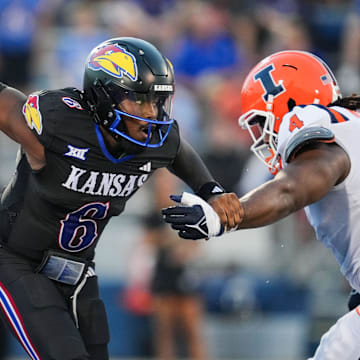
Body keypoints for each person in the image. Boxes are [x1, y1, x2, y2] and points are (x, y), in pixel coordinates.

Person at [0, 37, 238, 360]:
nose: (151, 113)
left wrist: (211, 190)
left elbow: (177, 148)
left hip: (77, 268)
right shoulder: (60, 123)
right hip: (17, 259)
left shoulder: (155, 139)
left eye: (157, 101)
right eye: (140, 101)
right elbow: (6, 106)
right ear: (104, 96)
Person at [162, 50, 360, 360]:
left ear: (291, 105)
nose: (262, 135)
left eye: (261, 122)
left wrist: (224, 216)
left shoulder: (311, 121)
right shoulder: (351, 123)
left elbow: (291, 188)